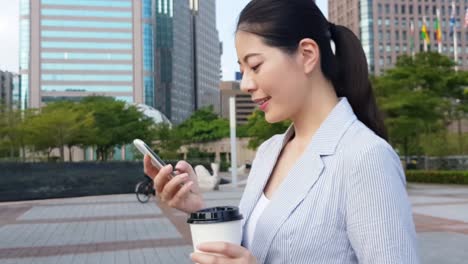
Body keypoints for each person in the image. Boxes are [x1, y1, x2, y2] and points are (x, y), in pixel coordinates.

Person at [143, 0, 420, 263]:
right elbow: (258, 247)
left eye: (255, 66)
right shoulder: (269, 151)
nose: (246, 84)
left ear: (307, 55)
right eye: (242, 70)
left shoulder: (366, 157)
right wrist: (198, 210)